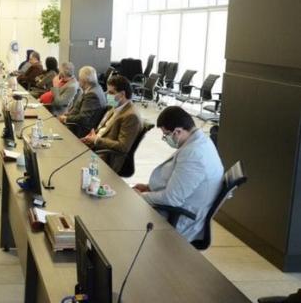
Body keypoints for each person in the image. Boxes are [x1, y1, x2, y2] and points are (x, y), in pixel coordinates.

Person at [133, 106, 223, 242]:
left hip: (179, 220)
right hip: (178, 207)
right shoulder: (198, 141)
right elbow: (180, 181)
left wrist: (142, 196)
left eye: (166, 135)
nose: (165, 139)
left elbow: (172, 199)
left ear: (178, 131)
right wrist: (149, 187)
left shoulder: (194, 154)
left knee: (126, 211)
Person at [80, 75, 141, 174]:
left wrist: (96, 140)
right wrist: (93, 136)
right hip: (96, 146)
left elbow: (123, 146)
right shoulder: (116, 106)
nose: (107, 95)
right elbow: (103, 128)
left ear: (122, 94)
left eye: (111, 92)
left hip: (106, 155)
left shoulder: (131, 116)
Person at [60, 66, 107, 137]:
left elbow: (83, 118)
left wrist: (66, 119)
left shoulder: (92, 95)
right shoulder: (96, 88)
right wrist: (68, 115)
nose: (78, 81)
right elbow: (78, 109)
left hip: (81, 130)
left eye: (79, 79)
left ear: (84, 81)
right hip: (78, 124)